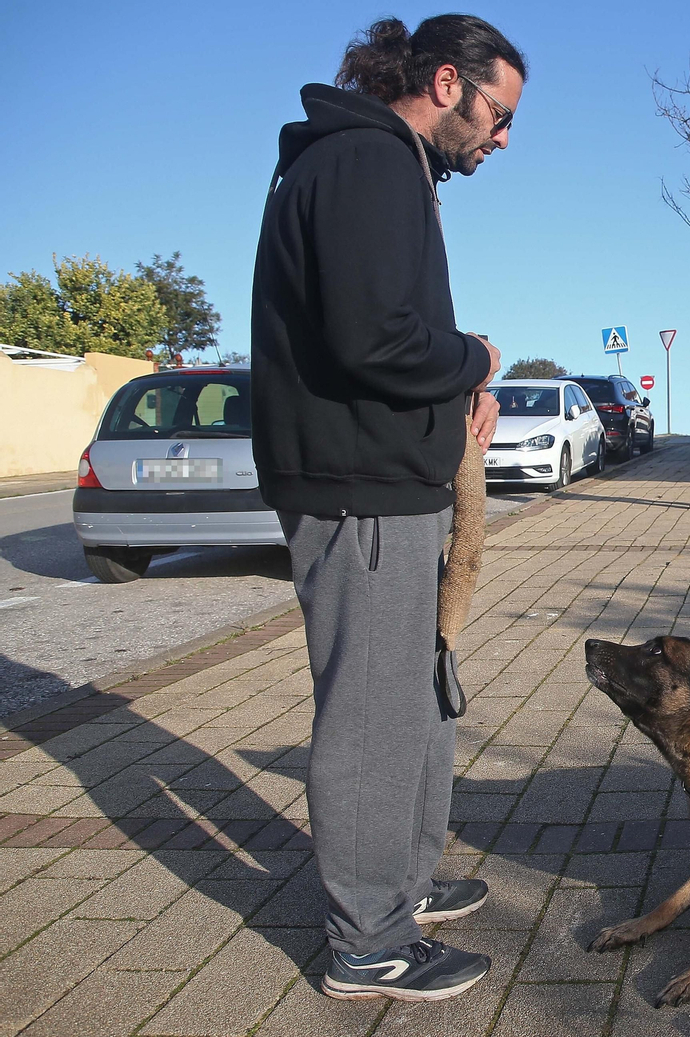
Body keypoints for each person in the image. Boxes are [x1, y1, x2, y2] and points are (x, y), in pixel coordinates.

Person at [250, 14, 524, 1003]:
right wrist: (475, 358)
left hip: (386, 476)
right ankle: (367, 940)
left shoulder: (383, 164)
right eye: (498, 114)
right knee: (370, 717)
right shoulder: (366, 162)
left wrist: (451, 397)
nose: (501, 138)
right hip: (357, 486)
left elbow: (376, 338)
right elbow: (376, 340)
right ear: (447, 82)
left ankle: (402, 883)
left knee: (414, 700)